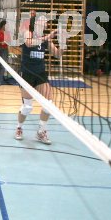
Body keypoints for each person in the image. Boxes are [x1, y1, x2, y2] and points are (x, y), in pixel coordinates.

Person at [15, 15, 65, 145]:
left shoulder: (46, 40)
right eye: (43, 21)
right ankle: (19, 128)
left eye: (46, 22)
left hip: (40, 74)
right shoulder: (27, 33)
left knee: (48, 105)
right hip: (27, 74)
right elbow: (29, 43)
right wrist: (48, 37)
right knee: (27, 107)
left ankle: (41, 131)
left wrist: (63, 42)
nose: (45, 24)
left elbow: (57, 54)